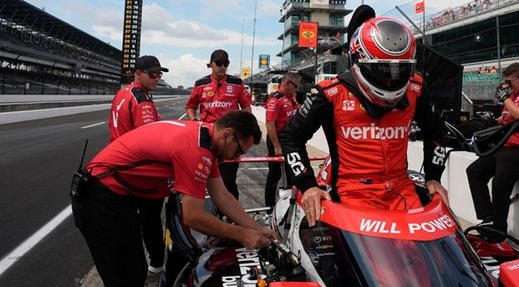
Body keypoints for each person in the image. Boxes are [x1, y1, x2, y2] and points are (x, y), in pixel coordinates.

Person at [72, 110, 278, 287]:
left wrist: (257, 229)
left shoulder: (206, 137)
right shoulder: (197, 150)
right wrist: (242, 234)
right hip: (99, 198)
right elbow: (193, 217)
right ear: (227, 134)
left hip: (115, 197)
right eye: (239, 151)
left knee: (136, 271)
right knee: (125, 279)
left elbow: (222, 196)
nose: (237, 158)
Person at [280, 16, 449, 227]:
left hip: (401, 189)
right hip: (354, 193)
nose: (392, 79)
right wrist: (307, 185)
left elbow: (437, 132)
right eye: (384, 70)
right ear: (359, 60)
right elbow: (290, 136)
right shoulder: (330, 94)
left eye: (400, 70)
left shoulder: (416, 89)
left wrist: (433, 177)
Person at [466, 63, 519, 256]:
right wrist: (490, 121)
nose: (506, 86)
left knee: (500, 182)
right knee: (474, 171)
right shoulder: (514, 97)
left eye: (509, 82)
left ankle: (499, 231)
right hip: (506, 147)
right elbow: (506, 119)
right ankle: (488, 218)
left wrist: (506, 100)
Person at [107, 55, 168, 274]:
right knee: (150, 220)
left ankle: (129, 265)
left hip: (119, 166)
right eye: (152, 73)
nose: (157, 78)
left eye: (159, 73)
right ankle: (157, 264)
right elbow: (150, 140)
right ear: (138, 73)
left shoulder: (121, 94)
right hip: (140, 171)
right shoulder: (142, 99)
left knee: (128, 221)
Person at [186, 49, 253, 199]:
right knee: (202, 179)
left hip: (230, 140)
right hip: (206, 139)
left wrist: (245, 128)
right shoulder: (200, 84)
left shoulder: (237, 83)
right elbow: (190, 106)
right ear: (211, 64)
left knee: (228, 181)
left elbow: (247, 107)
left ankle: (230, 217)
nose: (222, 66)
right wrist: (194, 122)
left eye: (225, 63)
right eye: (219, 63)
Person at [263, 71, 302, 208]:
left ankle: (291, 204)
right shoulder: (275, 99)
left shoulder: (292, 97)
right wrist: (276, 146)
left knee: (292, 170)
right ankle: (269, 207)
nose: (297, 89)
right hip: (277, 139)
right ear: (286, 83)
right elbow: (269, 124)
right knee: (275, 173)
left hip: (289, 139)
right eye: (295, 86)